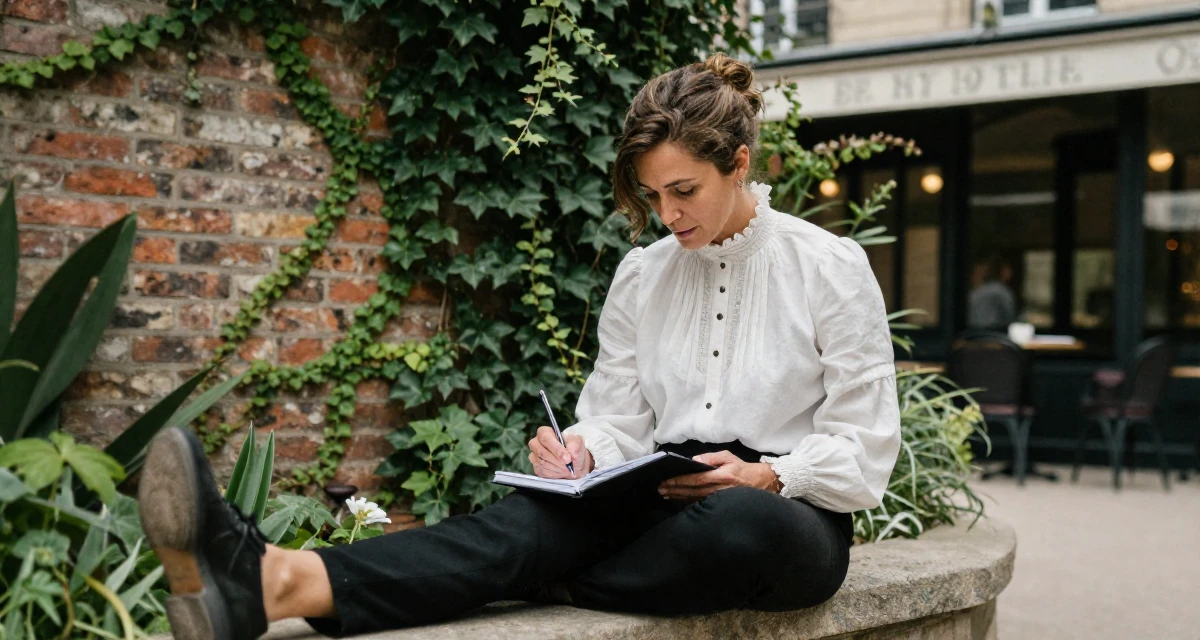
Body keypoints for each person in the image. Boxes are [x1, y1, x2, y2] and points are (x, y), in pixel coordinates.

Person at [136, 53, 902, 640]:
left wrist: (769, 473)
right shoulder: (644, 275)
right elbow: (616, 415)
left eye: (685, 191)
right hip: (658, 495)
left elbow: (866, 450)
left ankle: (547, 576)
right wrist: (582, 453)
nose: (667, 214)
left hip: (787, 512)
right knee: (524, 524)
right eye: (653, 194)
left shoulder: (828, 267)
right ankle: (273, 582)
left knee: (739, 529)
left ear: (737, 164)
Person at [967, 255, 1018, 331]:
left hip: (973, 332)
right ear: (1002, 270)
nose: (1011, 273)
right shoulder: (1001, 291)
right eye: (1008, 269)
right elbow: (1009, 316)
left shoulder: (978, 290)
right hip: (994, 333)